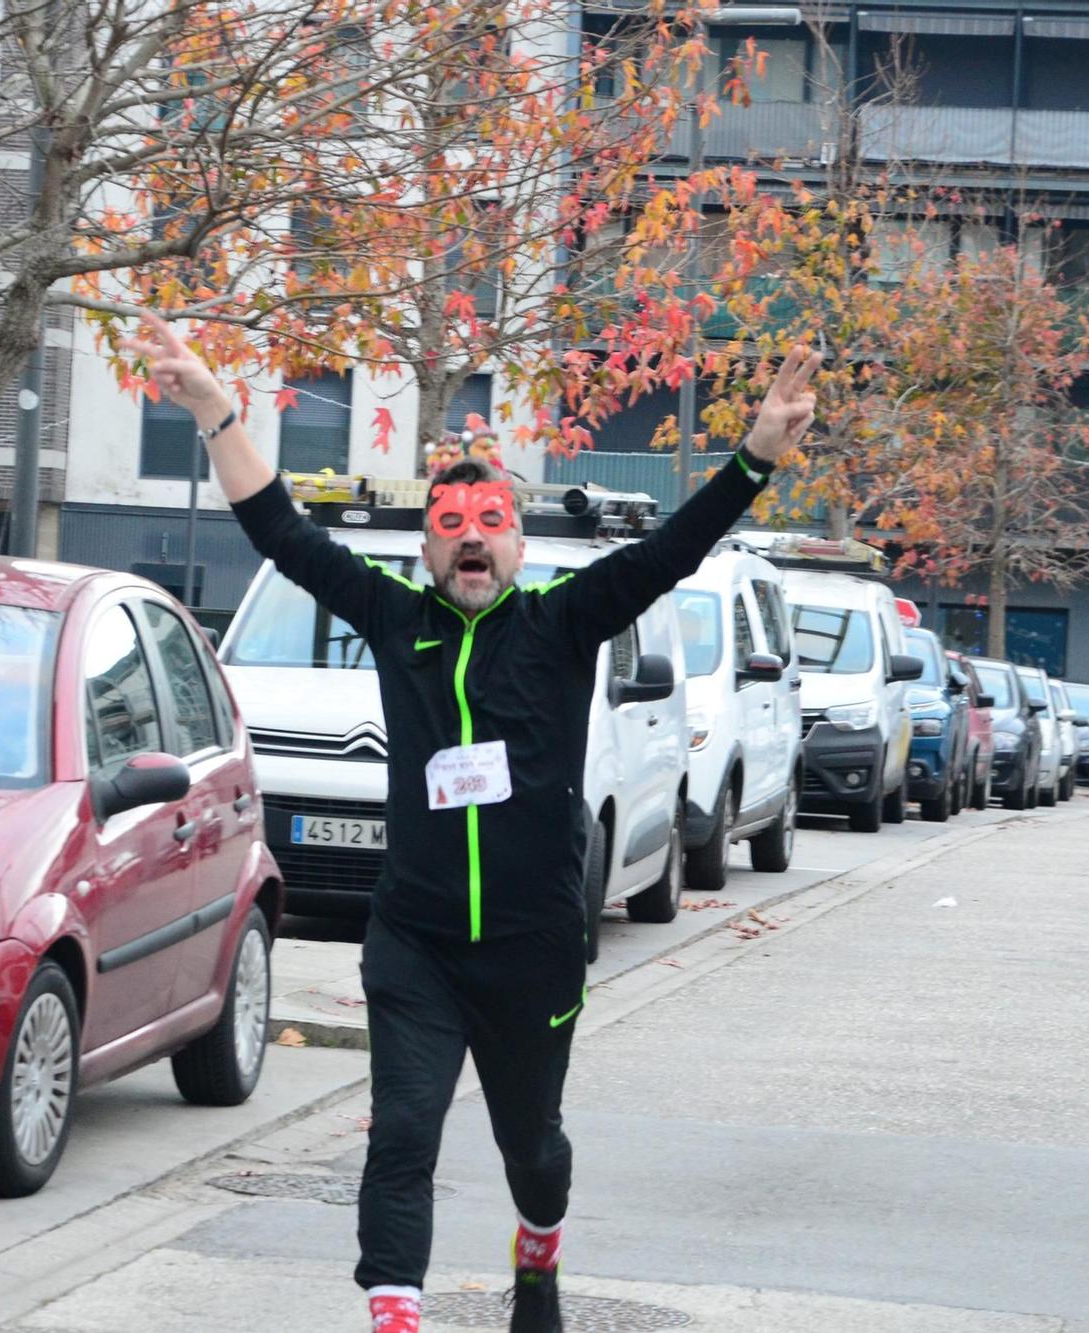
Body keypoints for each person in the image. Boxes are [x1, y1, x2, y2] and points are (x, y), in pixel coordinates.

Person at [125, 310, 823, 1333]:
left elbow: (673, 550)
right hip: (415, 941)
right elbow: (279, 527)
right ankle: (395, 1313)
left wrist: (757, 451)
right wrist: (213, 407)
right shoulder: (392, 619)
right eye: (449, 525)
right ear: (423, 547)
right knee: (401, 1131)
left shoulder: (560, 624)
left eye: (487, 521)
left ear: (516, 539)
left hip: (533, 945)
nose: (469, 538)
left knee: (529, 1149)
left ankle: (535, 1250)